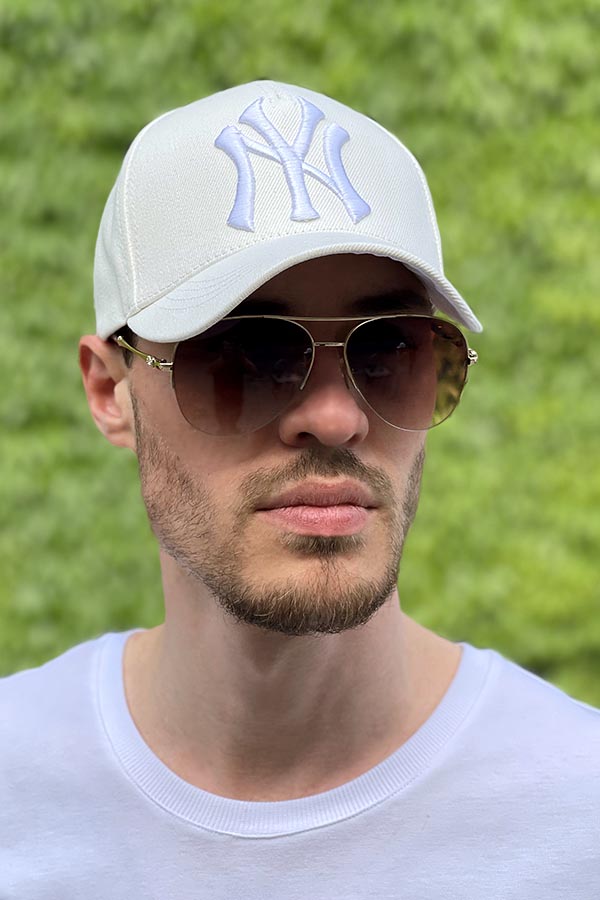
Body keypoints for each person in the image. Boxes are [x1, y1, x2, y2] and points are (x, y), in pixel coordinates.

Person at [1, 80, 598, 897]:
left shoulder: (579, 817)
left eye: (390, 349)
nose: (335, 417)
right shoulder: (17, 794)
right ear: (111, 391)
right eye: (244, 354)